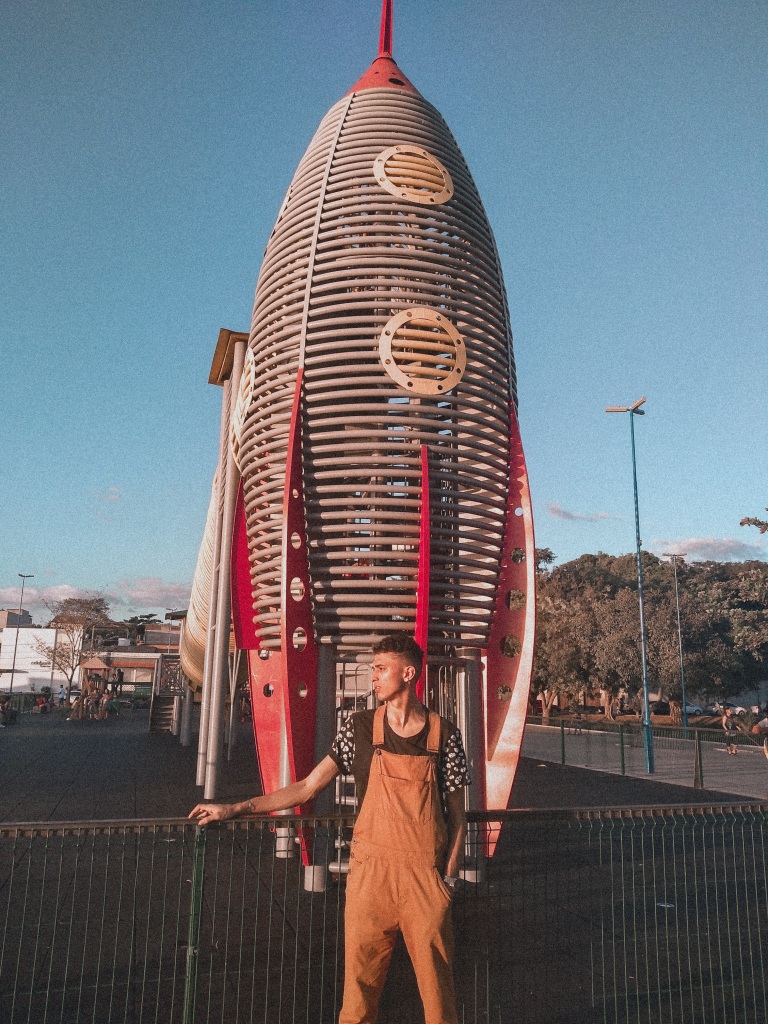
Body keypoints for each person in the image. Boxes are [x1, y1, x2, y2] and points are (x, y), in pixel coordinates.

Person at [189, 633, 470, 1024]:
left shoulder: (445, 735)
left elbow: (458, 817)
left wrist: (448, 881)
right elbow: (307, 786)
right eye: (373, 668)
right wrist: (237, 807)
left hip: (425, 882)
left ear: (408, 673)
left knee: (439, 997)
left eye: (381, 668)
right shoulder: (358, 729)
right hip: (369, 880)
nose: (373, 676)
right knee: (358, 994)